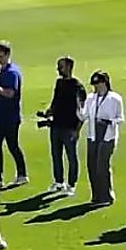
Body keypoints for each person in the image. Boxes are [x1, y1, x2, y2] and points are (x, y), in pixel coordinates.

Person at [0, 40, 28, 188]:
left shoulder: (11, 73)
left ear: (8, 54)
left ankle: (20, 175)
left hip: (9, 116)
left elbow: (10, 93)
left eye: (1, 56)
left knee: (12, 146)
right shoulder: (3, 70)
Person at [80, 71, 124, 205]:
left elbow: (120, 118)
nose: (96, 87)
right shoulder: (91, 98)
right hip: (93, 135)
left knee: (102, 165)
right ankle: (96, 195)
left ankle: (106, 196)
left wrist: (110, 121)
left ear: (105, 83)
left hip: (107, 135)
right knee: (91, 165)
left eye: (98, 84)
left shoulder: (114, 98)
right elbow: (85, 115)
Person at [44, 55, 86, 195]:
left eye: (60, 66)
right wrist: (49, 112)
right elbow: (55, 102)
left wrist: (77, 130)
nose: (58, 69)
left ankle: (71, 184)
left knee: (71, 156)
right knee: (56, 155)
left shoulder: (77, 86)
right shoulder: (59, 83)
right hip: (56, 125)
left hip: (70, 127)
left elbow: (82, 110)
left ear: (68, 67)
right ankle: (59, 182)